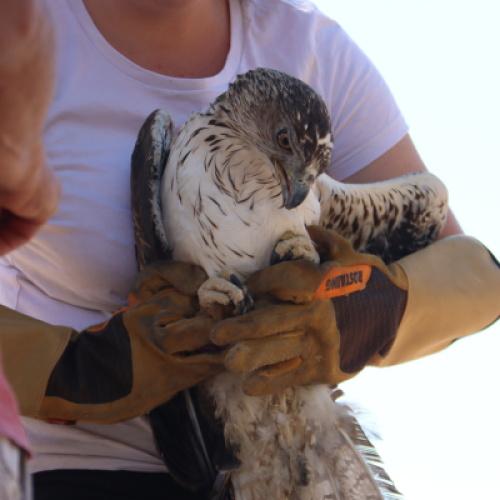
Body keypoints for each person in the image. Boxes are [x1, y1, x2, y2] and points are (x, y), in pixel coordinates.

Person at [0, 1, 498, 499]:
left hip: (287, 443)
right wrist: (78, 367)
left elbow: (476, 280)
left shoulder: (309, 47)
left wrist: (359, 313)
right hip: (68, 466)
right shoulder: (19, 29)